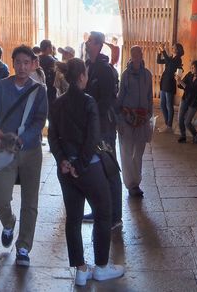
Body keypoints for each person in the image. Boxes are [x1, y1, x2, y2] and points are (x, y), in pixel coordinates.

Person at [50, 58, 125, 286]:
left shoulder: (57, 103)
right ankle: (101, 267)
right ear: (82, 76)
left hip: (65, 170)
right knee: (104, 213)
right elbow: (93, 138)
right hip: (88, 168)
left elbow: (52, 137)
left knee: (72, 219)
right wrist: (79, 166)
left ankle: (81, 270)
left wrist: (64, 161)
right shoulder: (88, 101)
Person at [0, 46, 48, 267]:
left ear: (33, 64)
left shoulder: (39, 90)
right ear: (13, 63)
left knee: (30, 201)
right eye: (18, 62)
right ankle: (9, 222)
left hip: (30, 151)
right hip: (5, 150)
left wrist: (24, 138)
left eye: (26, 63)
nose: (22, 67)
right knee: (0, 197)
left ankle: (23, 246)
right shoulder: (3, 86)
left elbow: (40, 119)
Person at [82, 31, 122, 228]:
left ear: (97, 44)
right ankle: (100, 210)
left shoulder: (105, 70)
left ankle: (115, 217)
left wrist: (92, 114)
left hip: (103, 127)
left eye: (89, 41)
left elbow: (107, 100)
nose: (87, 44)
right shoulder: (90, 66)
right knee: (96, 170)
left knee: (110, 169)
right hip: (92, 125)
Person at [117, 46, 154, 200]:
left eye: (138, 53)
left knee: (138, 152)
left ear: (142, 55)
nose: (136, 56)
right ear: (130, 56)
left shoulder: (147, 75)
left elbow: (149, 95)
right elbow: (120, 97)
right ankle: (130, 184)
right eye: (133, 54)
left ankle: (136, 182)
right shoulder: (125, 75)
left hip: (142, 118)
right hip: (127, 116)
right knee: (126, 151)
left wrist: (149, 114)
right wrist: (119, 119)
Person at [157, 43, 184, 132]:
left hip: (170, 82)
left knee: (169, 105)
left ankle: (169, 125)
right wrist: (159, 52)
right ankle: (167, 124)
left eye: (174, 47)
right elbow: (159, 61)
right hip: (164, 81)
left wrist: (163, 50)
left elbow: (170, 63)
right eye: (172, 47)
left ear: (178, 50)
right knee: (162, 104)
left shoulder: (178, 59)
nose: (172, 48)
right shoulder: (171, 57)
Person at [179, 61, 197, 143]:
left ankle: (196, 135)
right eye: (191, 67)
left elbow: (192, 90)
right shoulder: (189, 75)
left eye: (193, 67)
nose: (191, 68)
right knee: (180, 118)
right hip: (185, 99)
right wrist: (178, 80)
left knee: (187, 122)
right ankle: (183, 136)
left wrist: (181, 82)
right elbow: (181, 85)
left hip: (194, 102)